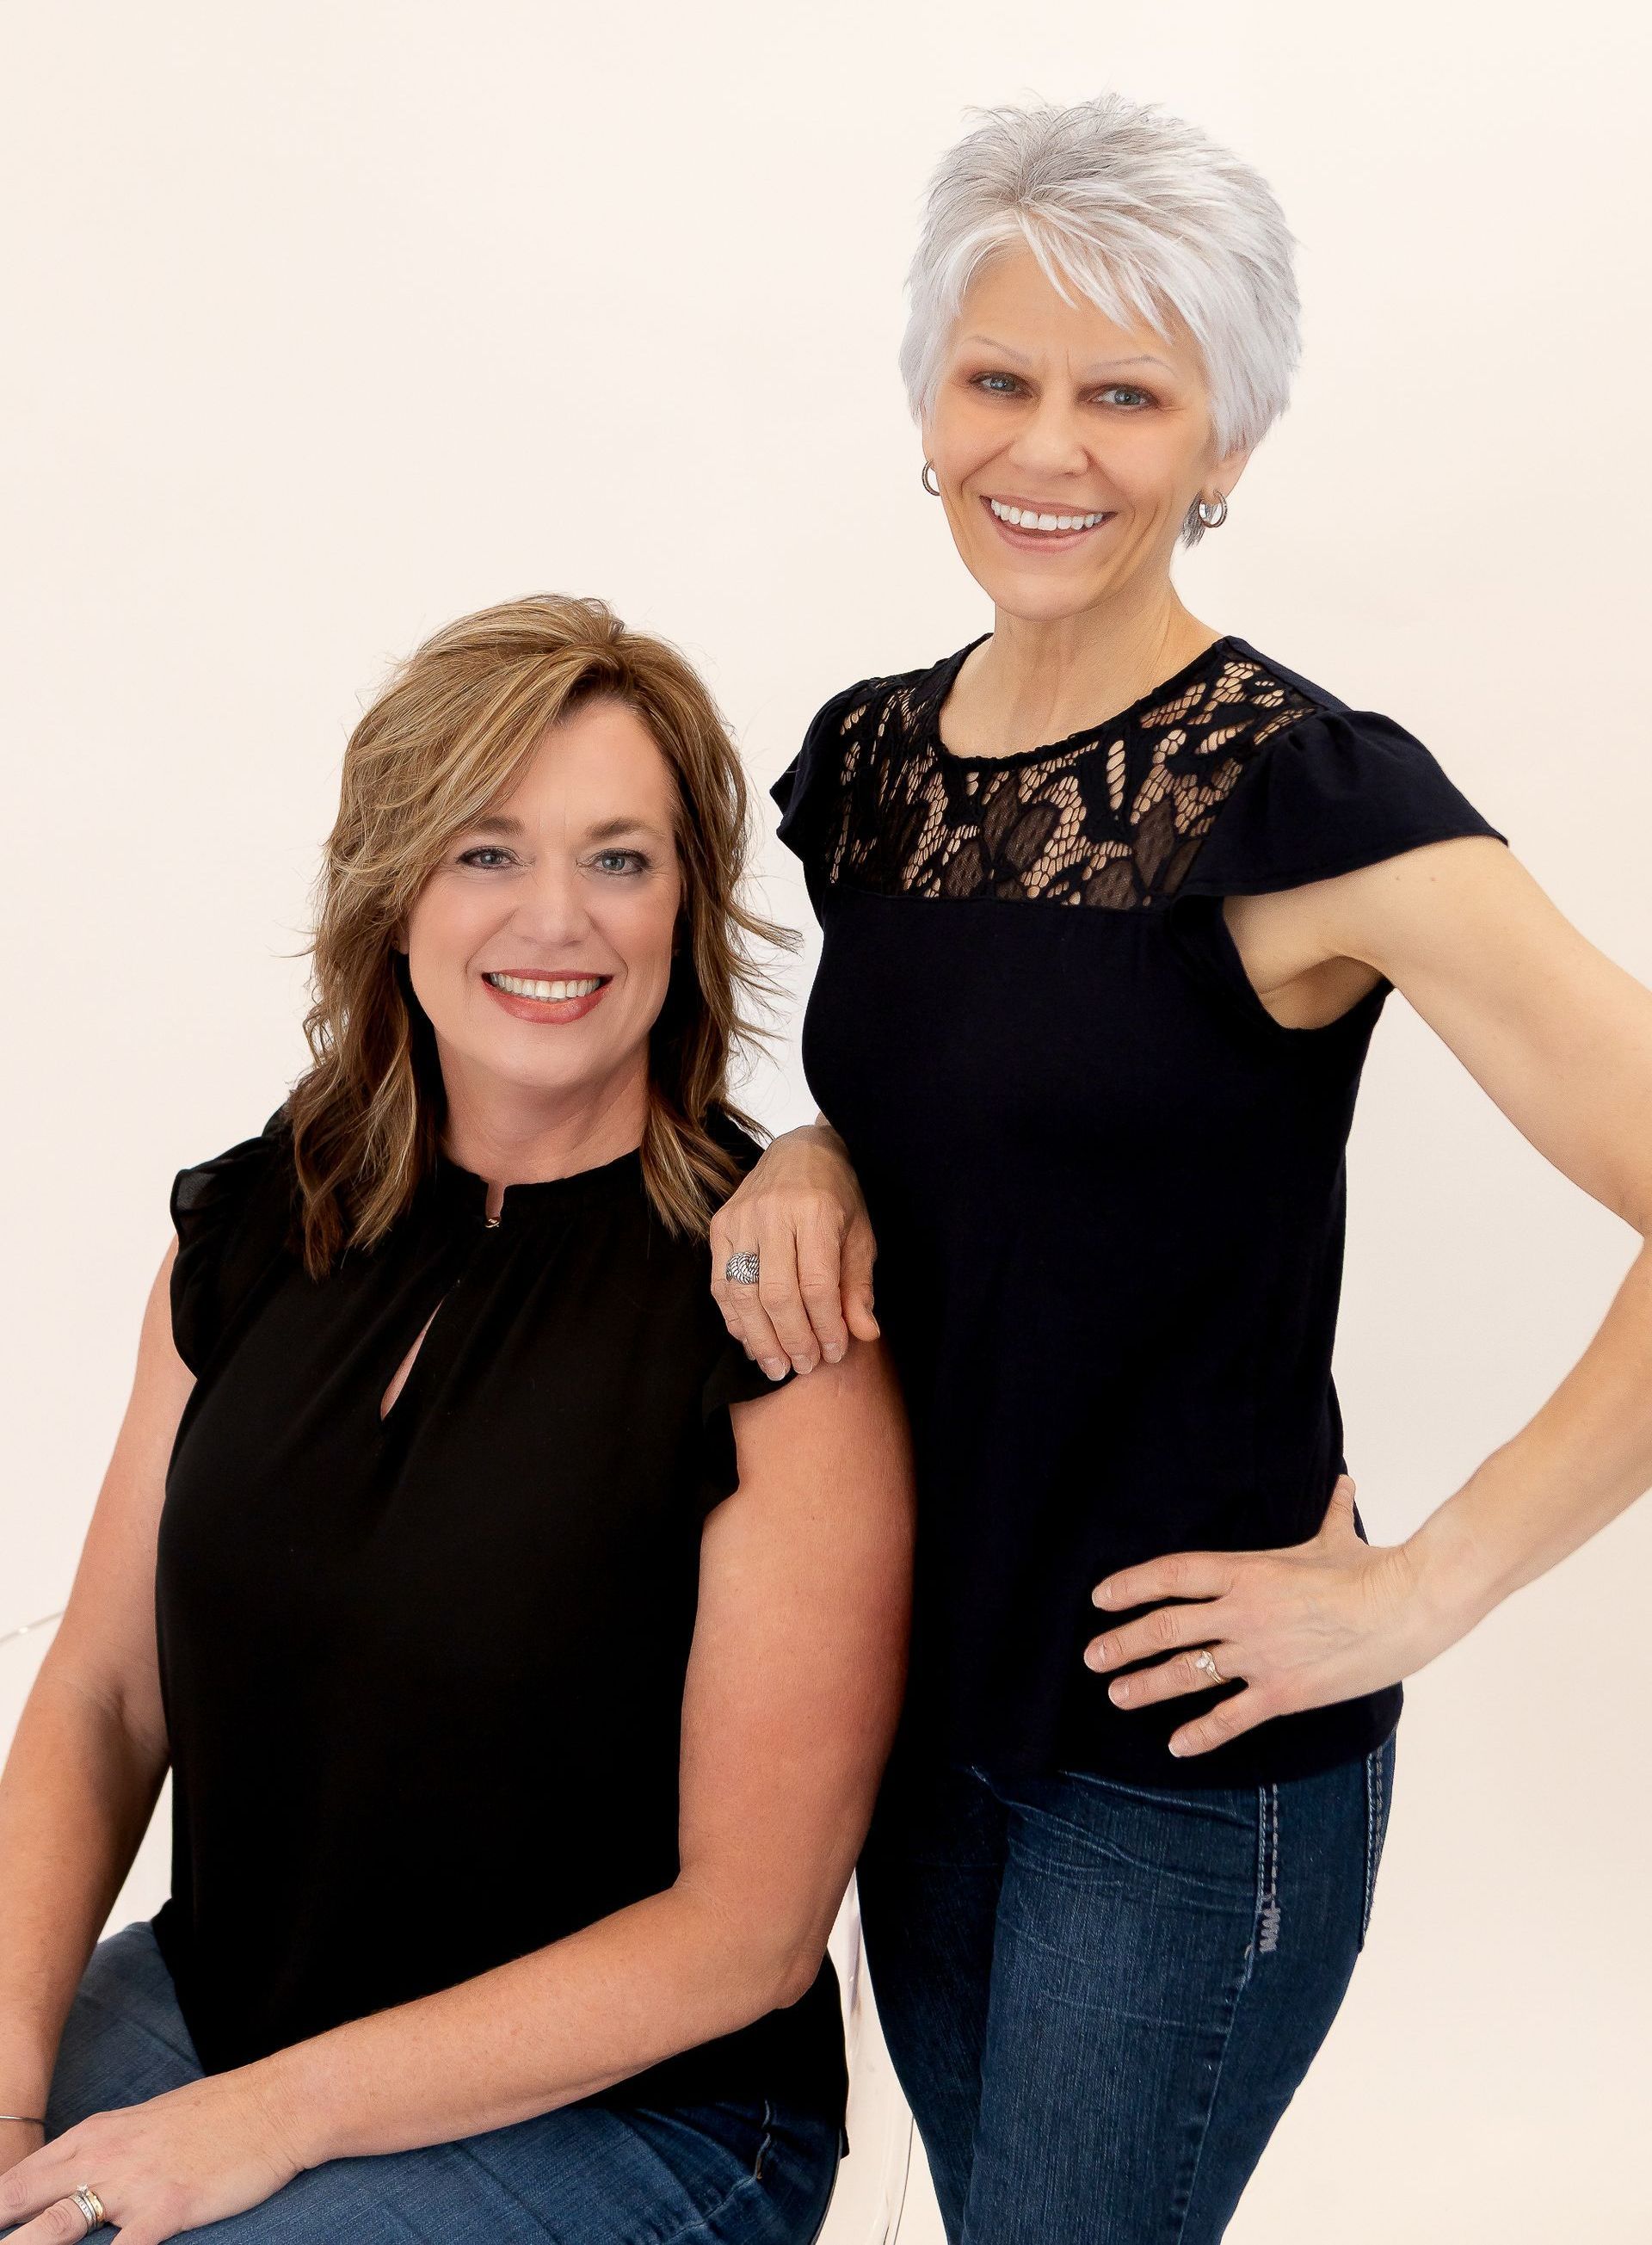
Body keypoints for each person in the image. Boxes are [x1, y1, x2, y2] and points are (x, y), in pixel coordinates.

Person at [706, 93, 1652, 2243]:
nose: (1052, 449)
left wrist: (1431, 1586)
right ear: (929, 405)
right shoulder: (868, 764)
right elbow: (975, 1096)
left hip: (1182, 1750)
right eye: (1002, 378)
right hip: (909, 1699)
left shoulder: (1306, 792)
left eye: (1131, 396)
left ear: (1228, 446)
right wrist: (814, 1149)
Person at [0, 595, 915, 2245]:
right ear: (393, 890)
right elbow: (106, 1689)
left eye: (620, 858)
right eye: (487, 851)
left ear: (691, 905)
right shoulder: (256, 1227)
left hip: (644, 2116)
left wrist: (257, 2124)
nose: (555, 919)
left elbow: (750, 1932)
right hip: (225, 2011)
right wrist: (6, 2072)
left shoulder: (773, 1321)